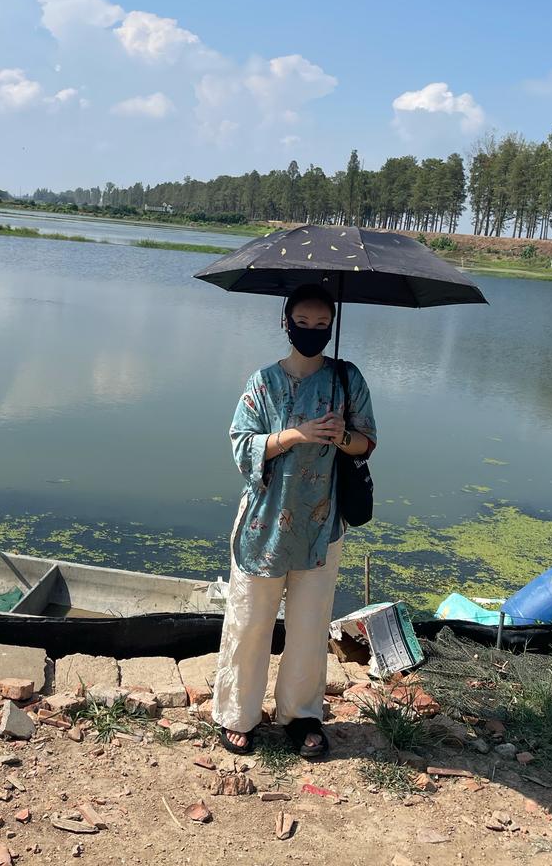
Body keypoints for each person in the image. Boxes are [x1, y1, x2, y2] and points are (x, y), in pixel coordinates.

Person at [212, 283, 377, 759]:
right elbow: (241, 446)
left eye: (321, 325)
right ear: (286, 323)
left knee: (310, 623)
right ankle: (237, 714)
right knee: (249, 619)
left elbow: (368, 443)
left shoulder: (347, 380)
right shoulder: (262, 382)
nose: (311, 332)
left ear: (332, 327)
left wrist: (341, 435)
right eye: (302, 323)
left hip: (322, 522)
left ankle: (301, 715)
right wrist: (294, 435)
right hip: (264, 520)